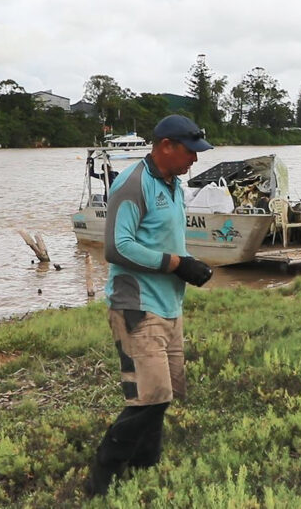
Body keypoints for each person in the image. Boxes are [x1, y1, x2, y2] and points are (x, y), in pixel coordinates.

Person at [87, 114, 215, 496]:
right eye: (190, 152)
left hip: (168, 305)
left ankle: (145, 467)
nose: (195, 160)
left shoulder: (173, 183)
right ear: (166, 146)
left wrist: (190, 263)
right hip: (137, 307)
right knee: (149, 397)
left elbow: (164, 239)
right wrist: (176, 264)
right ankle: (101, 479)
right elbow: (117, 247)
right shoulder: (133, 184)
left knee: (161, 396)